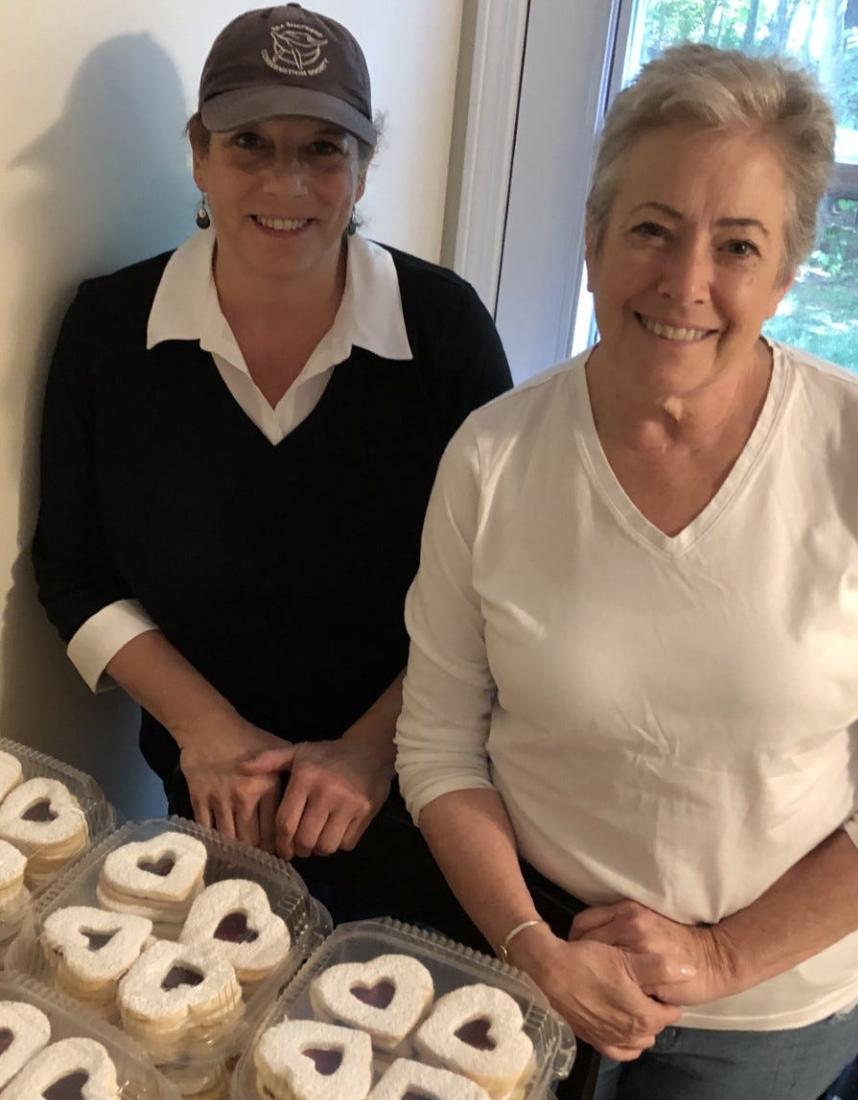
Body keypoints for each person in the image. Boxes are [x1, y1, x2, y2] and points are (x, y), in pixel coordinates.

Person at [395, 42, 858, 1100]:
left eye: (738, 244)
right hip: (522, 953)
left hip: (763, 1012)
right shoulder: (493, 458)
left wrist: (715, 960)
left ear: (788, 267)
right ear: (594, 238)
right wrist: (535, 948)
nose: (687, 279)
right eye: (651, 228)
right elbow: (439, 740)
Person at [32, 4, 510, 936]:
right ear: (199, 154)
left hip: (421, 788)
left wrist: (373, 752)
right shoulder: (108, 329)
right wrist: (207, 734)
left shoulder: (443, 330)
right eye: (250, 142)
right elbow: (74, 574)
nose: (286, 182)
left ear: (364, 166)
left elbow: (502, 581)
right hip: (214, 799)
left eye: (323, 148)